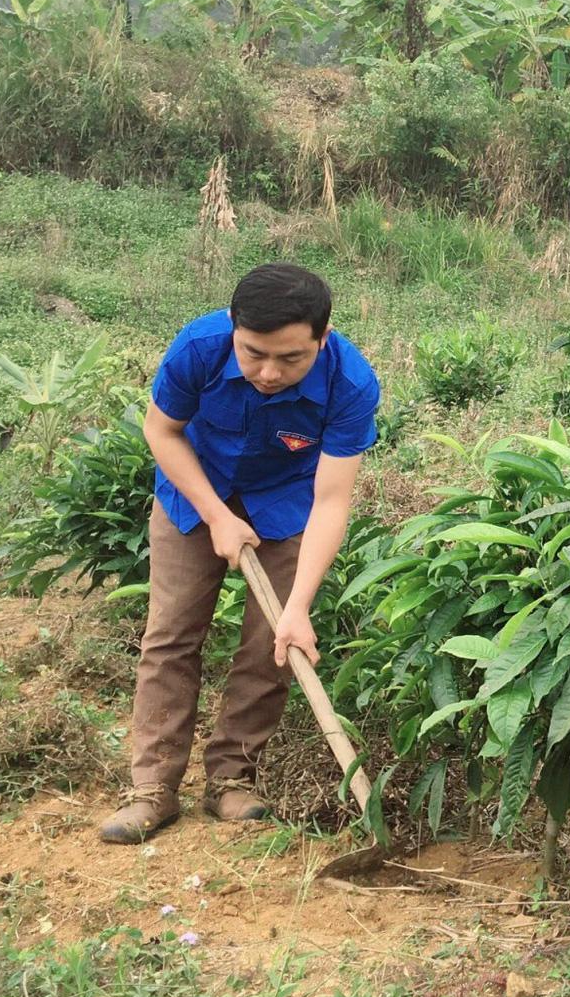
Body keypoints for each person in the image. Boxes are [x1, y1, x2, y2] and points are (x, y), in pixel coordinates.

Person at [99, 263, 380, 845]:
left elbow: (331, 501)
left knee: (270, 644)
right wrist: (217, 517)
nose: (269, 373)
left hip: (285, 506)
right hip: (193, 490)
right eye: (254, 354)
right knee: (171, 634)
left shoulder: (350, 384)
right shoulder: (198, 348)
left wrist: (298, 607)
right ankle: (152, 788)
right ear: (234, 328)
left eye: (290, 359)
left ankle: (231, 778)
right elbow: (163, 432)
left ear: (321, 339)